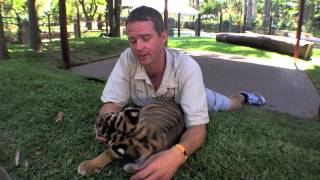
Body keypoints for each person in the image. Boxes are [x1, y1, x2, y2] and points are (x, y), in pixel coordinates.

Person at [97, 6, 265, 179]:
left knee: (231, 105)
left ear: (163, 37)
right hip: (154, 111)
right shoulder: (127, 58)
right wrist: (106, 121)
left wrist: (177, 154)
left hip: (193, 96)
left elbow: (198, 128)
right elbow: (112, 104)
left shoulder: (187, 67)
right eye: (132, 40)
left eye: (146, 38)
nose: (138, 47)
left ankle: (243, 95)